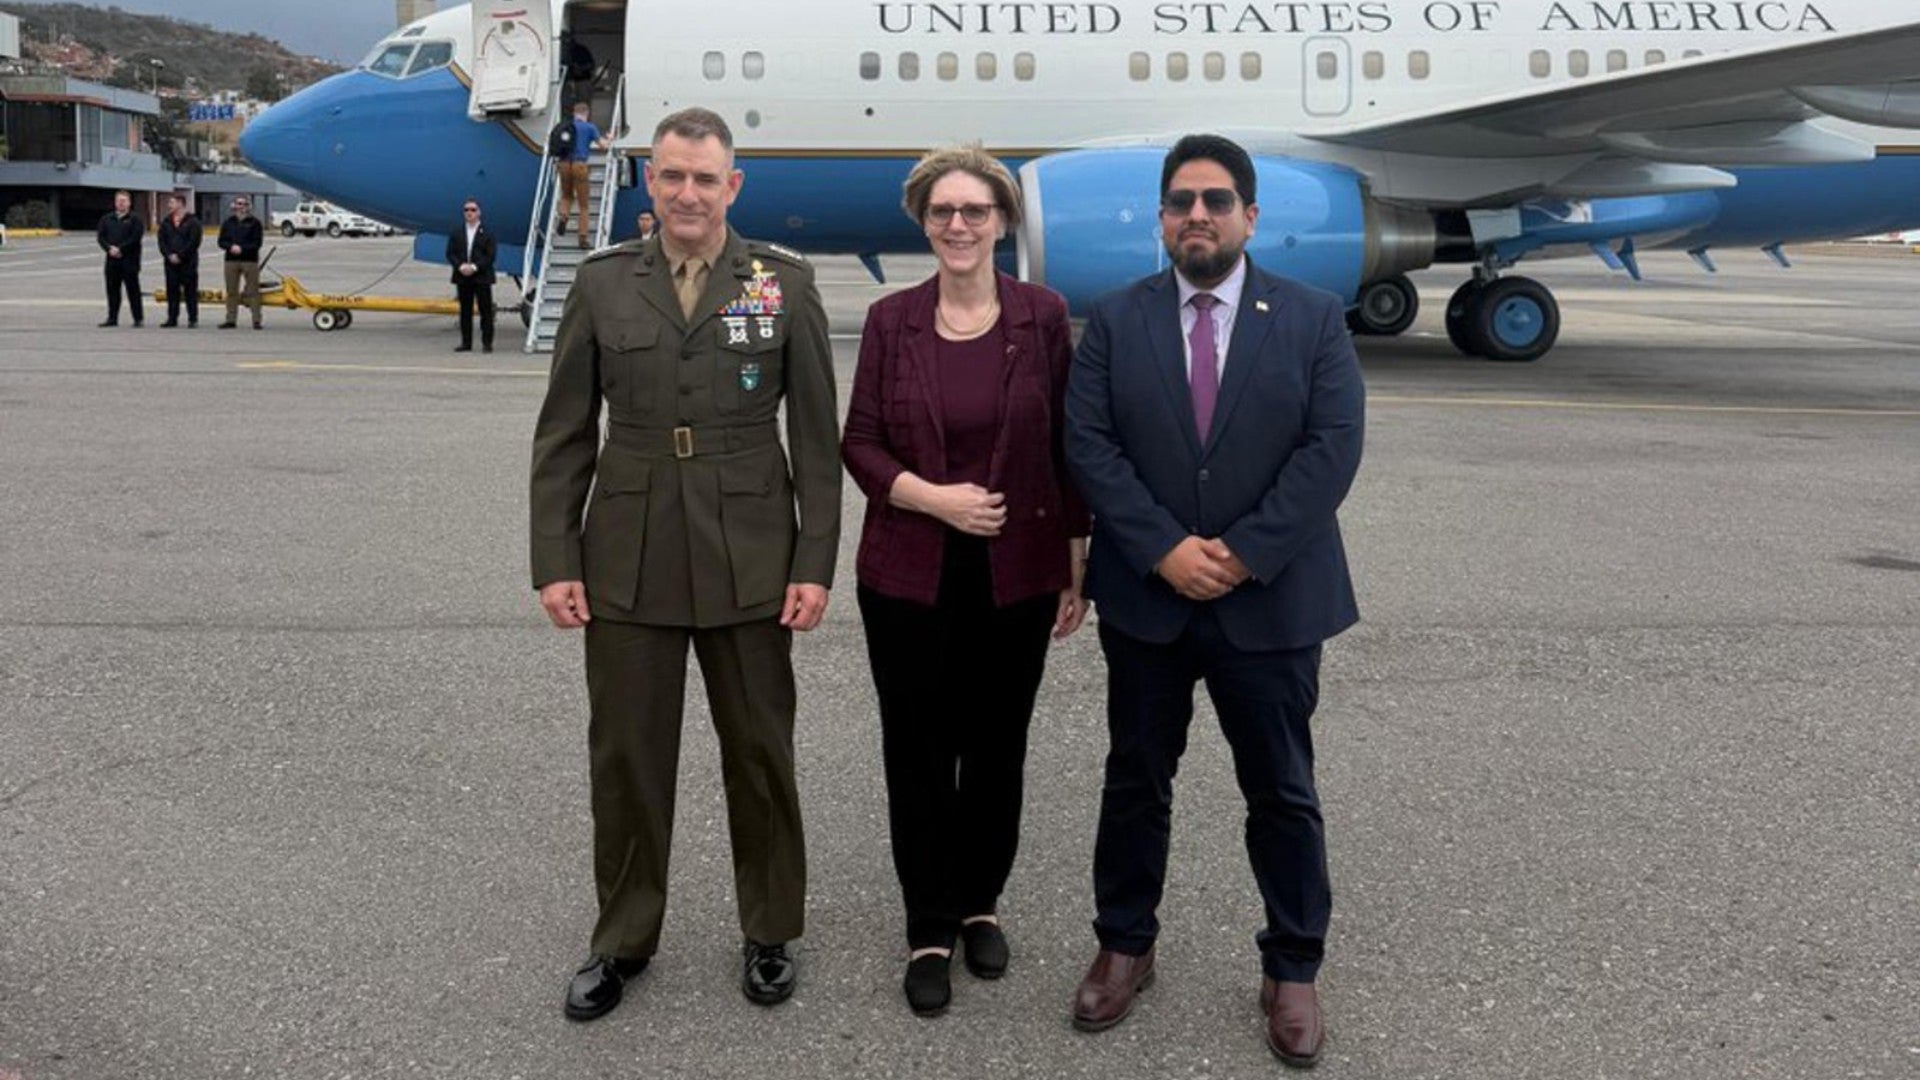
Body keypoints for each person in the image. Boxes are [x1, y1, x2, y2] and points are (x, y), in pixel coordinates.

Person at [530, 106, 841, 1022]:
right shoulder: (604, 284)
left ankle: (770, 930)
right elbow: (563, 434)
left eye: (706, 178)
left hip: (752, 553)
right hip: (627, 551)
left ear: (732, 186)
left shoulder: (781, 284)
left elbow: (815, 442)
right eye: (672, 175)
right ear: (651, 182)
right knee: (627, 758)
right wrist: (555, 558)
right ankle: (623, 938)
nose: (688, 193)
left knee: (760, 752)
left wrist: (814, 563)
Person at [1062, 134, 1365, 1068]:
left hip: (1270, 603)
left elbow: (1331, 449)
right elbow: (1089, 444)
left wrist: (1239, 555)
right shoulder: (1115, 320)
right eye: (1182, 201)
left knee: (1281, 790)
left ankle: (1292, 966)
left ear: (1250, 217)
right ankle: (1125, 944)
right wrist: (1163, 550)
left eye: (1217, 200)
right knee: (1135, 780)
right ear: (1161, 218)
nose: (1199, 215)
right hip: (1149, 601)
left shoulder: (1313, 318)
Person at [841, 145, 1089, 1016]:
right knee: (917, 750)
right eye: (942, 211)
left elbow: (1065, 443)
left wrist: (1076, 556)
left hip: (1016, 572)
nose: (958, 225)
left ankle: (980, 901)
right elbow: (860, 442)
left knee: (996, 747)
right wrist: (933, 499)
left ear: (1002, 221)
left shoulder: (1041, 315)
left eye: (974, 211)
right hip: (907, 575)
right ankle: (928, 925)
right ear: (924, 222)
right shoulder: (891, 321)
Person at [446, 198, 497, 352]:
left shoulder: (488, 233)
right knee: (465, 312)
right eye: (466, 210)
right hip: (463, 277)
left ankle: (487, 343)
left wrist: (474, 267)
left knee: (485, 312)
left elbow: (490, 255)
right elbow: (450, 253)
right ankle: (466, 343)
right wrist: (460, 266)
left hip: (482, 276)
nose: (469, 213)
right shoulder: (457, 232)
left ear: (479, 212)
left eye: (473, 210)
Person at [554, 101, 605, 248]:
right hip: (580, 165)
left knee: (566, 195)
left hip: (563, 164)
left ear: (574, 113)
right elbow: (602, 146)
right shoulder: (590, 127)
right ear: (586, 114)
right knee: (584, 205)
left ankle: (564, 217)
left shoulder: (565, 126)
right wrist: (609, 138)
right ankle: (582, 238)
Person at [96, 190, 144, 328]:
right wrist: (109, 249)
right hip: (112, 261)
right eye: (118, 200)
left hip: (129, 261)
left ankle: (138, 318)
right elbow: (101, 237)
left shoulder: (135, 219)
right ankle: (112, 318)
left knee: (133, 290)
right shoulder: (107, 219)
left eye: (124, 201)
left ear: (129, 203)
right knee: (112, 290)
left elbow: (135, 238)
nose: (121, 203)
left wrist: (120, 249)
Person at [156, 193, 203, 329]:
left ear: (180, 203)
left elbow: (194, 242)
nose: (169, 205)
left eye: (171, 202)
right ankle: (172, 318)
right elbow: (162, 241)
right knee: (172, 291)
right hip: (170, 263)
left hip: (188, 263)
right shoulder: (166, 222)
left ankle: (192, 318)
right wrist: (169, 255)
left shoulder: (193, 222)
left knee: (190, 291)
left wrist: (181, 255)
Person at [217, 197, 264, 330]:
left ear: (249, 207)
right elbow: (221, 241)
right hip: (231, 260)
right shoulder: (228, 223)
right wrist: (231, 247)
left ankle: (256, 320)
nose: (242, 206)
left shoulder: (255, 223)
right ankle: (230, 320)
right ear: (234, 205)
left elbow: (257, 243)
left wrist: (242, 248)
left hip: (250, 260)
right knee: (231, 291)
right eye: (239, 203)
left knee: (253, 291)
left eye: (245, 204)